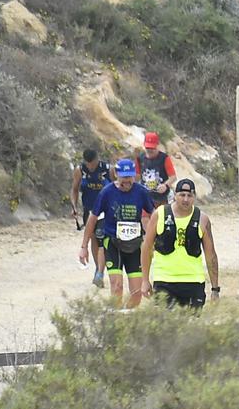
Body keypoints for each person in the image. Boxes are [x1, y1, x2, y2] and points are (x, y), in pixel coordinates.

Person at [80, 158, 154, 309]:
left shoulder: (141, 192)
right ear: (116, 174)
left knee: (136, 294)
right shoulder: (106, 193)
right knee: (117, 287)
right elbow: (92, 218)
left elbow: (154, 216)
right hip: (113, 244)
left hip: (134, 246)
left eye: (130, 177)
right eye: (124, 177)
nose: (127, 181)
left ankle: (125, 317)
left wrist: (156, 238)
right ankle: (116, 319)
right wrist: (84, 246)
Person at [141, 178, 220, 309]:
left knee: (192, 327)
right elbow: (147, 248)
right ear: (175, 195)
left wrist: (215, 289)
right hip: (164, 281)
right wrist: (145, 280)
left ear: (194, 197)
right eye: (182, 195)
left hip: (193, 282)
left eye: (189, 195)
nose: (185, 199)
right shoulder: (160, 215)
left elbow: (211, 256)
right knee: (165, 325)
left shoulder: (202, 219)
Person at [73, 146, 112, 288]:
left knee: (101, 239)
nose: (91, 166)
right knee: (94, 239)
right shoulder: (80, 170)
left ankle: (100, 273)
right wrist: (74, 206)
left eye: (93, 163)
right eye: (88, 164)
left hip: (105, 210)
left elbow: (115, 186)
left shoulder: (107, 169)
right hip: (88, 210)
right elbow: (75, 189)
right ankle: (98, 268)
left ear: (97, 159)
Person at [137, 130, 177, 217]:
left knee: (161, 218)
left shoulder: (164, 158)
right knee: (144, 218)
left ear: (157, 146)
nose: (150, 150)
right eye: (148, 148)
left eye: (152, 148)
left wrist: (165, 185)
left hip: (162, 197)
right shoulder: (140, 158)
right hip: (146, 196)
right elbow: (137, 176)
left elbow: (173, 177)